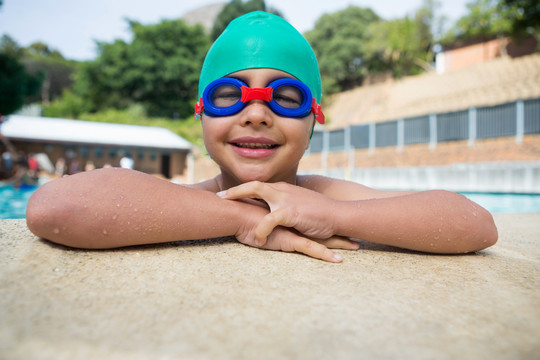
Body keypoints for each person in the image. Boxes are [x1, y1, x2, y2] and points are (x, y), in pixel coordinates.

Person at [25, 11, 497, 263]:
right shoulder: (181, 201)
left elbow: (475, 224)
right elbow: (54, 209)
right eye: (229, 94)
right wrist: (242, 219)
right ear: (201, 113)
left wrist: (331, 214)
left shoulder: (326, 197)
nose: (256, 113)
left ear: (315, 117)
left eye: (285, 96)